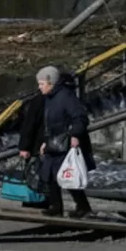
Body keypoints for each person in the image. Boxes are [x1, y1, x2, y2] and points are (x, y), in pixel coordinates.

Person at [19, 66, 96, 218]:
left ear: (51, 83)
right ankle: (56, 206)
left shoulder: (66, 97)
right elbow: (48, 124)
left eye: (41, 84)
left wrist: (75, 135)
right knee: (48, 175)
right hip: (52, 142)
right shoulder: (49, 98)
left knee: (68, 176)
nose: (39, 87)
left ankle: (83, 207)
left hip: (65, 143)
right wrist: (44, 142)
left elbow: (80, 117)